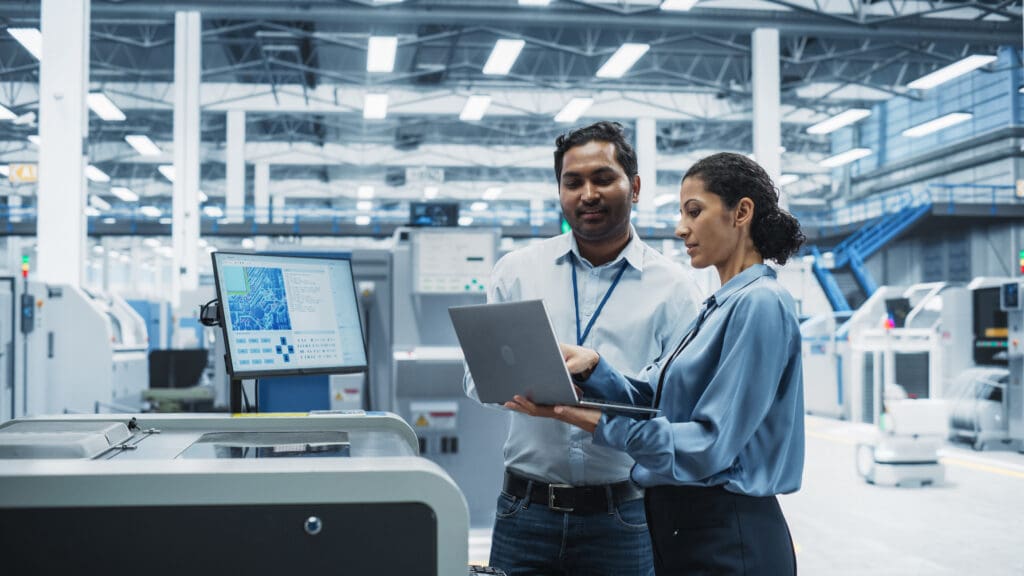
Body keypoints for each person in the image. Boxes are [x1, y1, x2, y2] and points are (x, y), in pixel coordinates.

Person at [507, 152, 806, 575]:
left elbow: (709, 445)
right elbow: (655, 397)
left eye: (694, 212)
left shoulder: (760, 304)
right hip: (684, 529)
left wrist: (584, 418)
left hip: (729, 534)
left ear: (741, 212)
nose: (681, 228)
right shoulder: (718, 307)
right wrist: (593, 367)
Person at [464, 121, 700, 576]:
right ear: (559, 191)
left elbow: (679, 405)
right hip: (524, 511)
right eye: (572, 182)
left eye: (602, 178)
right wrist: (519, 386)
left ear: (633, 187)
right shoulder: (517, 272)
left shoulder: (674, 288)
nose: (587, 193)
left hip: (623, 517)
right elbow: (478, 379)